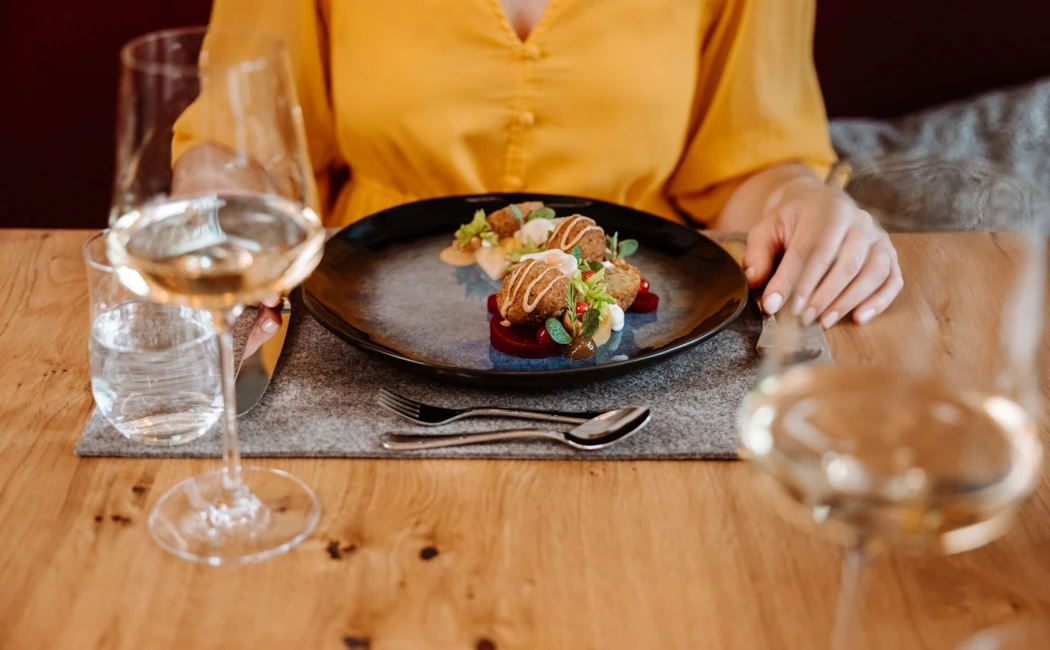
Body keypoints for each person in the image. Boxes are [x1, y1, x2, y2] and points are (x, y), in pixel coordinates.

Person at [177, 0, 902, 333]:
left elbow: (746, 165)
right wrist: (216, 205)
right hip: (363, 326)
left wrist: (802, 201)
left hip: (643, 339)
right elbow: (244, 149)